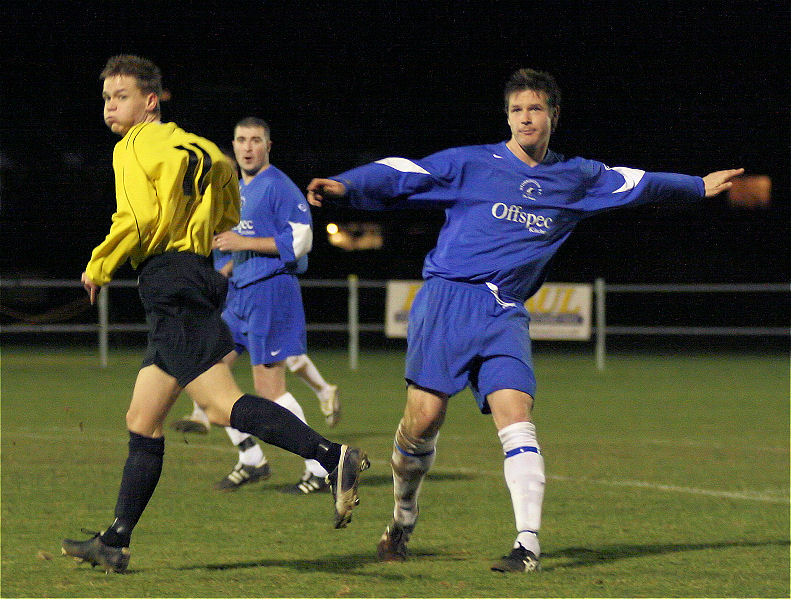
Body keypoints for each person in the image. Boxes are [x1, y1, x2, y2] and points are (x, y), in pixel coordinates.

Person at [306, 67, 743, 573]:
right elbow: (405, 172)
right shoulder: (472, 163)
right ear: (507, 117)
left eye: (535, 109)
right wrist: (346, 185)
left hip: (505, 311)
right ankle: (403, 516)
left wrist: (695, 185)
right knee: (423, 422)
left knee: (518, 420)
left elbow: (636, 183)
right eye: (517, 110)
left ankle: (527, 545)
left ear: (554, 115)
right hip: (448, 300)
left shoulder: (576, 177)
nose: (525, 118)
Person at [61, 55, 369, 575]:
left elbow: (137, 219)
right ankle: (115, 541)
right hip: (195, 273)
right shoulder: (202, 148)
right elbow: (228, 206)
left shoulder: (131, 147)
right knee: (143, 419)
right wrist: (199, 240)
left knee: (225, 405)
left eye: (122, 96)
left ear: (150, 101)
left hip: (169, 279)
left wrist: (99, 265)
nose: (111, 106)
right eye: (108, 97)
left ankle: (331, 456)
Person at [170, 117, 341, 495]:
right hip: (240, 296)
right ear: (233, 145)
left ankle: (321, 465)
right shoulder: (238, 190)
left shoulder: (279, 186)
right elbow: (233, 243)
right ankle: (251, 458)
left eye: (256, 141)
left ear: (268, 145)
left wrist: (239, 244)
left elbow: (301, 241)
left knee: (270, 388)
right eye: (241, 140)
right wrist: (221, 271)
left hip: (272, 293)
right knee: (203, 373)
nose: (248, 147)